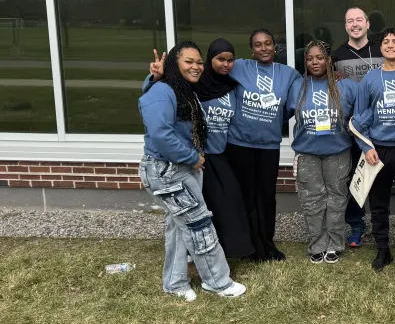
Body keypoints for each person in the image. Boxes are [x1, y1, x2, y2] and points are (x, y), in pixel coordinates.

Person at [138, 41, 246, 302]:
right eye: (189, 61)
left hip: (181, 169)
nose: (196, 66)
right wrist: (192, 157)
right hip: (169, 171)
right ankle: (218, 282)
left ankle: (175, 283)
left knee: (179, 228)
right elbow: (160, 134)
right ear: (175, 64)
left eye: (199, 62)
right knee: (199, 225)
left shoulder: (182, 89)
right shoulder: (162, 90)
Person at [225, 29, 302, 262]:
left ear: (275, 46)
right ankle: (249, 247)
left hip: (269, 145)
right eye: (258, 45)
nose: (264, 48)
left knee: (267, 196)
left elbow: (298, 100)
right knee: (246, 196)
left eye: (268, 43)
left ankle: (268, 245)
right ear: (252, 49)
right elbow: (211, 76)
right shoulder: (239, 67)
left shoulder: (288, 74)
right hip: (239, 144)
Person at [352, 27, 395, 276]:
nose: (390, 45)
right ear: (380, 48)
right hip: (377, 151)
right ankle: (383, 249)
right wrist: (366, 147)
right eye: (385, 42)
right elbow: (358, 120)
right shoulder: (370, 80)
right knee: (379, 205)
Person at [290, 40, 358, 264]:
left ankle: (335, 243)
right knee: (312, 200)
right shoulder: (297, 86)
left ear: (328, 60)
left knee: (337, 200)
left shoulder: (346, 86)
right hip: (307, 153)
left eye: (320, 57)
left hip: (338, 152)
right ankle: (317, 244)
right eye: (310, 58)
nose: (315, 62)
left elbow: (364, 111)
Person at [332, 7, 383, 247]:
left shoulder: (382, 50)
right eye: (350, 21)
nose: (355, 24)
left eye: (359, 20)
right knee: (354, 177)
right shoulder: (336, 55)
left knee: (380, 177)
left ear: (367, 23)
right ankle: (356, 224)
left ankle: (381, 226)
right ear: (345, 26)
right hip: (351, 128)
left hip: (382, 124)